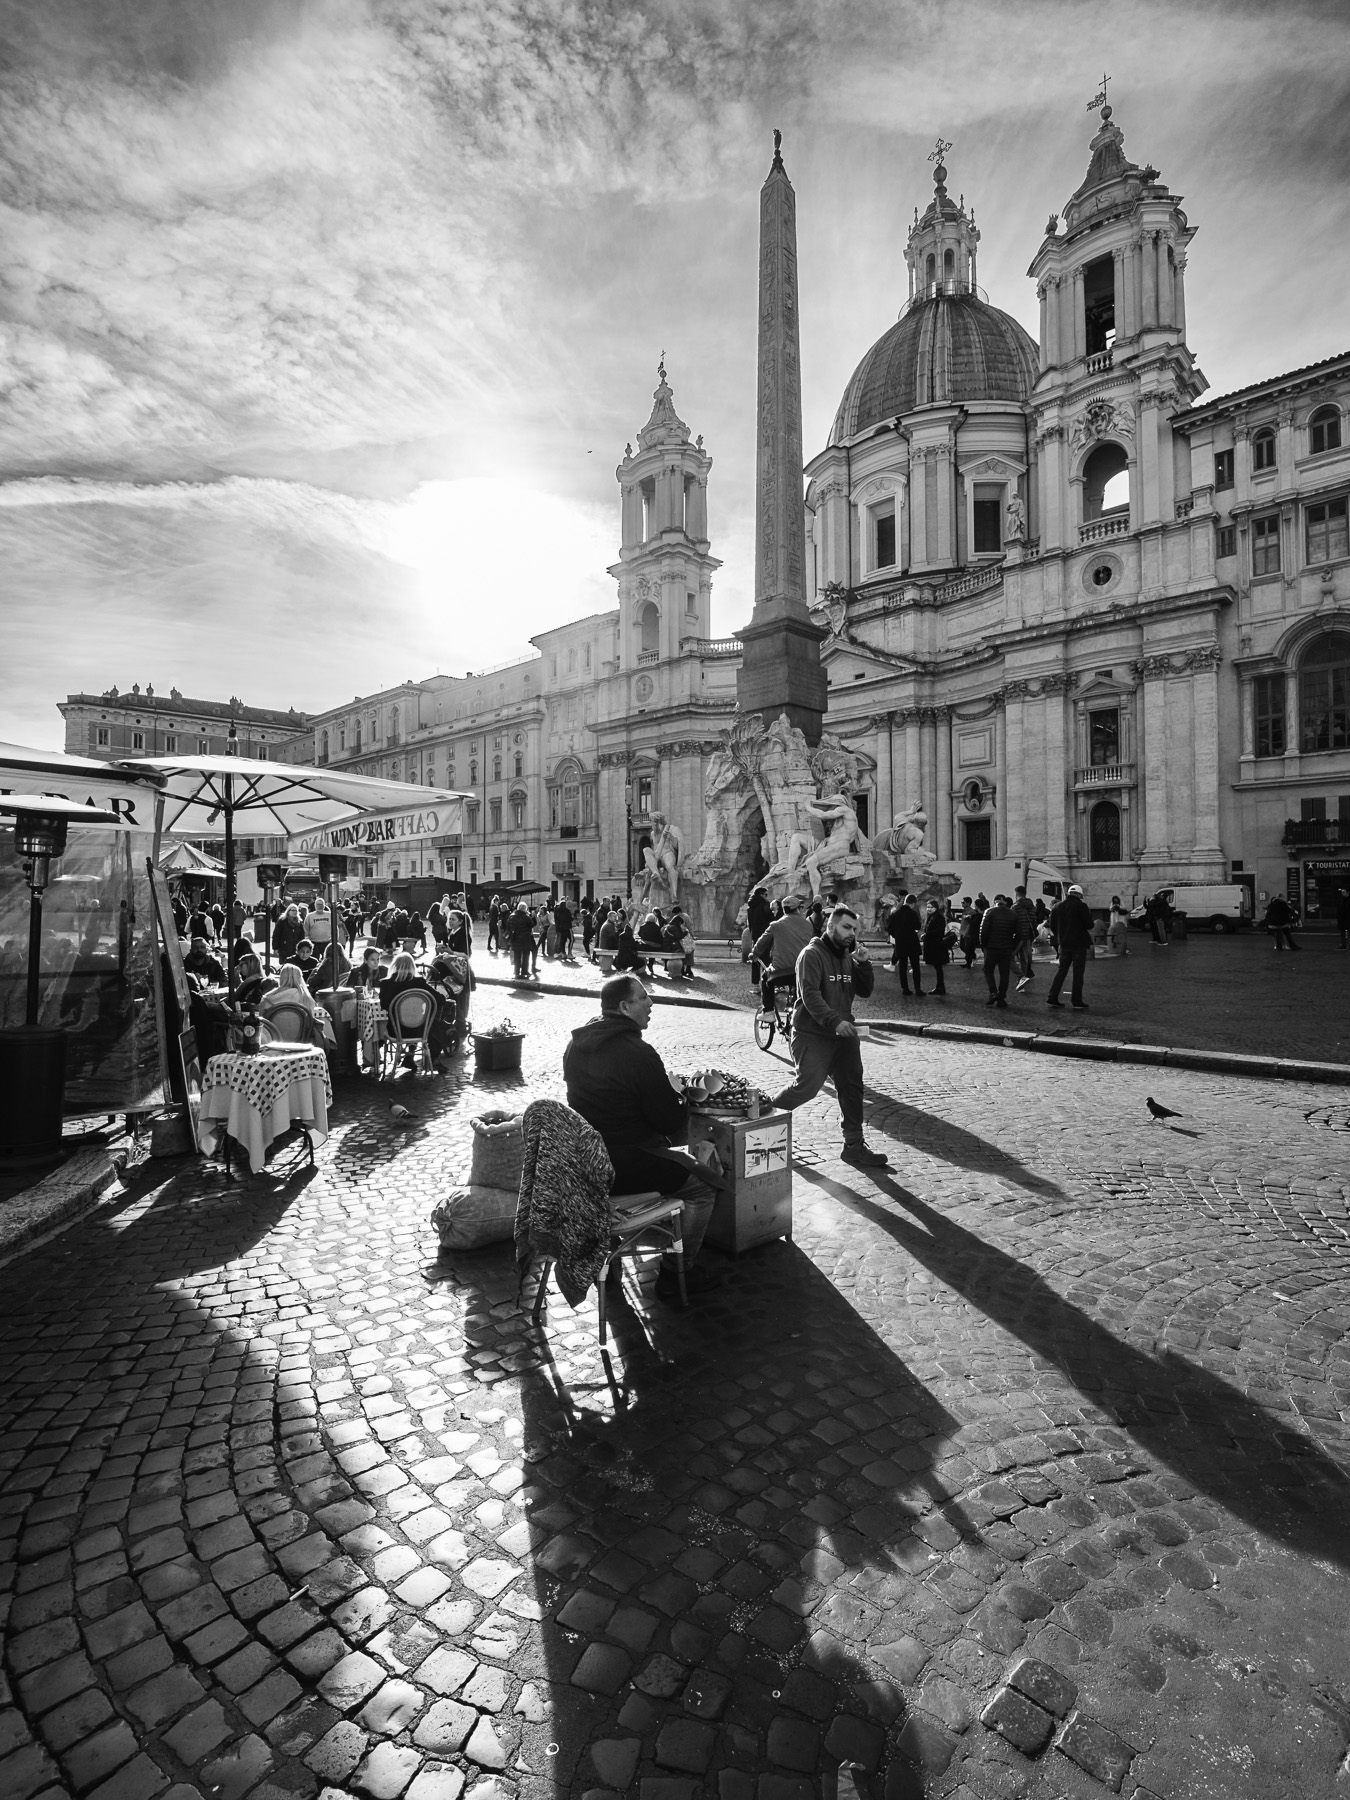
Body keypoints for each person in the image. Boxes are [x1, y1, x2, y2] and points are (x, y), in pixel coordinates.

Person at [563, 974, 720, 1298]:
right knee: (703, 1187)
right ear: (623, 1006)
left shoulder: (576, 1045)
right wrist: (678, 1094)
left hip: (587, 1164)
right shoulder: (639, 1053)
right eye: (643, 998)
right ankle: (677, 1271)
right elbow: (668, 1121)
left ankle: (611, 1260)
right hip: (627, 1163)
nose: (651, 1003)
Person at [771, 903, 889, 1170]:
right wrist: (834, 1021)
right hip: (812, 1033)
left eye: (855, 929)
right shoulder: (810, 955)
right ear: (831, 926)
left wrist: (864, 964)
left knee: (852, 1087)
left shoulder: (849, 956)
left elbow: (866, 991)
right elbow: (810, 995)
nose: (852, 933)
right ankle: (764, 1120)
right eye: (847, 927)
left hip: (844, 1034)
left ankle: (854, 1147)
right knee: (807, 1087)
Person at [751, 893, 813, 1011]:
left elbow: (761, 943)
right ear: (797, 909)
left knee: (765, 978)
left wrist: (754, 954)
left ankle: (768, 1010)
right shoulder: (808, 926)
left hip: (780, 972)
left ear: (783, 909)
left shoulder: (776, 925)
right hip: (802, 972)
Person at [258, 963, 337, 1053]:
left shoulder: (267, 998)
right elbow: (310, 1022)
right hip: (301, 1044)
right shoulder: (306, 999)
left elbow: (263, 1022)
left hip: (273, 1044)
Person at [1047, 884, 1095, 1009]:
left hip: (1064, 944)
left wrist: (1061, 936)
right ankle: (1076, 1001)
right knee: (1078, 973)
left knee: (1061, 971)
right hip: (1079, 944)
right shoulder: (1081, 906)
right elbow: (1089, 925)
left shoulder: (1057, 906)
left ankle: (1052, 997)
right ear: (1079, 894)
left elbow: (1052, 926)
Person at [979, 893, 1017, 1008]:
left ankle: (993, 992)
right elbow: (1017, 932)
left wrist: (983, 946)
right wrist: (1012, 946)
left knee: (988, 970)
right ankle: (1001, 998)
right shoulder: (1012, 913)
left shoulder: (989, 912)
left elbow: (983, 931)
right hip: (1006, 948)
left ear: (995, 902)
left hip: (991, 947)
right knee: (1004, 973)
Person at [886, 893, 924, 997]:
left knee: (902, 967)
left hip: (901, 943)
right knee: (915, 966)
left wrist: (897, 935)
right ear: (912, 904)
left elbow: (889, 928)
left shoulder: (895, 913)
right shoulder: (912, 913)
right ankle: (918, 989)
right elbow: (917, 926)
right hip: (912, 942)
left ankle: (905, 989)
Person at [1011, 886, 1038, 991]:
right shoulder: (1031, 906)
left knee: (1011, 956)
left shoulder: (1015, 906)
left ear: (1016, 893)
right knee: (1024, 959)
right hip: (1028, 935)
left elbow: (1012, 921)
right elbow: (1034, 920)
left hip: (1018, 935)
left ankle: (1021, 978)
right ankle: (1022, 981)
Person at [922, 899, 950, 996]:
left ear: (936, 907)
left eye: (931, 907)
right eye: (928, 907)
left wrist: (927, 934)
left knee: (938, 967)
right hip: (932, 944)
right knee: (937, 967)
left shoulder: (938, 918)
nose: (928, 909)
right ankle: (940, 986)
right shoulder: (932, 916)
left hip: (936, 946)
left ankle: (940, 987)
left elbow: (938, 931)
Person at [1336, 884, 1350, 951]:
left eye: (1344, 892)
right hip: (1342, 919)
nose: (1342, 893)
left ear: (1348, 892)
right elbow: (1339, 909)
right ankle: (1343, 945)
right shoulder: (1341, 900)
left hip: (1348, 919)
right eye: (1342, 892)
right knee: (1342, 932)